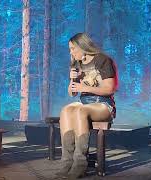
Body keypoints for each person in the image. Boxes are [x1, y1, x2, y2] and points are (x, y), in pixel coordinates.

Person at [55, 33, 118, 179]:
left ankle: (80, 164)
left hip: (103, 104)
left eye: (72, 48)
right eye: (69, 49)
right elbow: (72, 93)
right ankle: (67, 162)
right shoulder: (76, 63)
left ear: (83, 46)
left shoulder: (103, 60)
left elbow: (110, 89)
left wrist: (85, 87)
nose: (70, 52)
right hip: (85, 102)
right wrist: (73, 80)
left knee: (80, 111)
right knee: (66, 110)